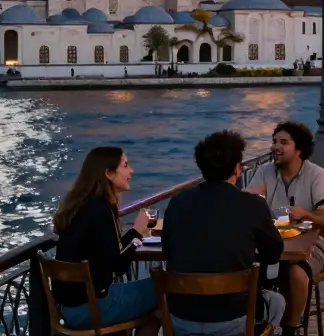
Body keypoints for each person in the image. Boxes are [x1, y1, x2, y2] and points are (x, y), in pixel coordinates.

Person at [163, 131, 285, 334]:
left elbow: (167, 251)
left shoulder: (178, 201)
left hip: (181, 318)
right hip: (232, 319)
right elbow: (273, 252)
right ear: (237, 169)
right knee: (277, 302)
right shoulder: (253, 204)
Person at [51, 147, 157, 331]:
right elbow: (118, 266)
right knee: (164, 288)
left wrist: (134, 234)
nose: (131, 170)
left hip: (68, 308)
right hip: (92, 307)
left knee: (153, 298)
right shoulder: (100, 210)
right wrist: (138, 234)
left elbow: (110, 254)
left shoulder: (81, 206)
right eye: (125, 165)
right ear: (108, 173)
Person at [245, 122, 324, 336]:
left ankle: (290, 329)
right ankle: (256, 323)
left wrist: (303, 213)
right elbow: (248, 200)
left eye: (283, 142)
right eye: (274, 141)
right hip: (269, 247)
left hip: (312, 247)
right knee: (240, 264)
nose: (275, 147)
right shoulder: (265, 171)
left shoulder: (317, 175)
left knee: (296, 271)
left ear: (299, 149)